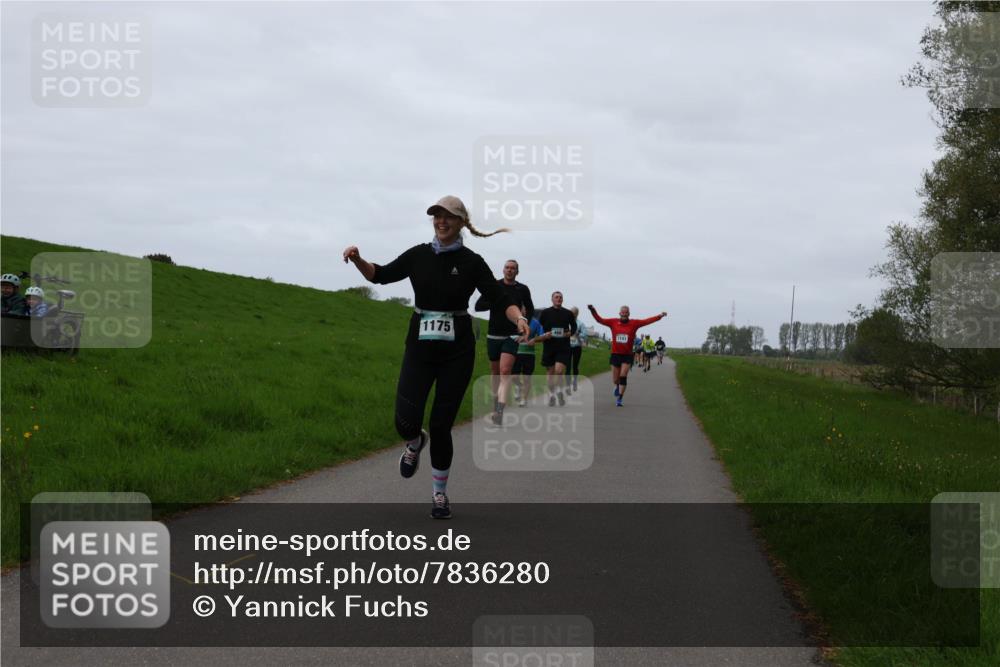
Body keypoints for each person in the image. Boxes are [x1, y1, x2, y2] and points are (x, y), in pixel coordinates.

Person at [343, 195, 529, 519]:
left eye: (448, 217)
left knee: (442, 425)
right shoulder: (418, 255)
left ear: (461, 223)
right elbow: (380, 275)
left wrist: (519, 319)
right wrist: (358, 258)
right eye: (437, 216)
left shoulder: (472, 262)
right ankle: (415, 443)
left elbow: (500, 298)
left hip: (457, 352)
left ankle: (439, 495)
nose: (441, 221)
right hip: (419, 348)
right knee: (404, 421)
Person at [474, 259, 533, 425]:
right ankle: (495, 405)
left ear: (517, 271)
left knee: (505, 371)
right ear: (503, 270)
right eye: (507, 267)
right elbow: (479, 306)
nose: (509, 270)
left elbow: (531, 309)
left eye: (513, 268)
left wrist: (525, 326)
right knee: (495, 373)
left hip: (512, 335)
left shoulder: (522, 289)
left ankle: (499, 411)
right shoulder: (495, 287)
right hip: (493, 334)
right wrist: (497, 301)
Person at [587, 305, 667, 407]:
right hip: (615, 354)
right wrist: (593, 310)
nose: (624, 314)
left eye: (626, 312)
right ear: (619, 313)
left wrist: (659, 316)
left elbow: (647, 321)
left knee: (623, 376)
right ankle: (617, 386)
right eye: (622, 312)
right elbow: (600, 320)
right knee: (616, 380)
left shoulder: (634, 323)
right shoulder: (613, 322)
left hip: (627, 355)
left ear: (629, 314)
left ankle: (620, 398)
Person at [537, 291, 577, 406]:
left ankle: (559, 391)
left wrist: (569, 333)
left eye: (560, 297)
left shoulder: (568, 313)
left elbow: (574, 326)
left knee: (559, 371)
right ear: (552, 299)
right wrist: (544, 335)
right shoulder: (545, 312)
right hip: (549, 346)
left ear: (562, 300)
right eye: (556, 297)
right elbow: (540, 326)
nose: (558, 299)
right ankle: (552, 395)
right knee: (550, 372)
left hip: (563, 346)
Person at [512, 304, 545, 407]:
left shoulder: (535, 322)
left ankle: (524, 399)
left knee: (527, 378)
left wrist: (534, 340)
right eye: (520, 309)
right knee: (514, 377)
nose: (522, 311)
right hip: (515, 352)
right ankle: (519, 386)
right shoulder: (513, 321)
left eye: (524, 309)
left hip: (529, 354)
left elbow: (542, 335)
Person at [567, 306, 588, 394]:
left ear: (577, 314)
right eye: (571, 312)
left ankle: (575, 381)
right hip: (567, 346)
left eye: (574, 313)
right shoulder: (566, 323)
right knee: (567, 366)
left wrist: (578, 334)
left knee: (575, 365)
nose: (573, 314)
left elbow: (585, 334)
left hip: (577, 347)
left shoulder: (580, 324)